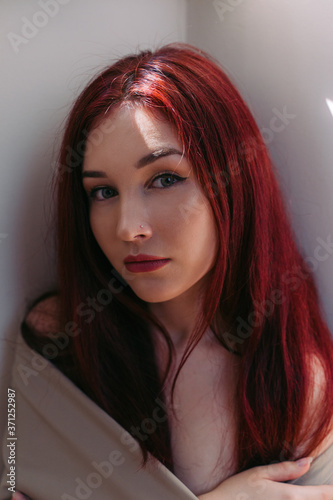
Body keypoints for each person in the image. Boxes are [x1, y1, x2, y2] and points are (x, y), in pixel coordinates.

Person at [3, 43, 333, 499]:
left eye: (164, 179)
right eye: (102, 192)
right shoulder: (57, 340)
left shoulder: (293, 384)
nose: (128, 228)